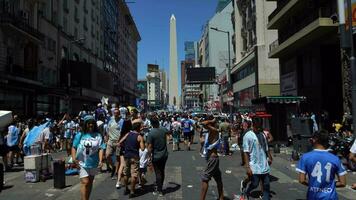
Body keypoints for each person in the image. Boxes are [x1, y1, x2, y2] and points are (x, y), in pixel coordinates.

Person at [296, 130, 347, 199]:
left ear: (315, 140)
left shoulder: (305, 157)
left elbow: (301, 180)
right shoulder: (335, 158)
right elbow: (343, 183)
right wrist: (329, 185)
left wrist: (313, 185)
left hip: (313, 197)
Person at [71, 115, 105, 200]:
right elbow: (74, 147)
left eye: (92, 123)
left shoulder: (98, 135)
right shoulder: (80, 134)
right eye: (89, 123)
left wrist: (101, 160)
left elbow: (101, 148)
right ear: (85, 124)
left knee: (90, 182)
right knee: (85, 182)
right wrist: (74, 158)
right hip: (81, 162)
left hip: (93, 163)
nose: (91, 125)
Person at [242, 117, 272, 200]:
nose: (258, 129)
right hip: (254, 165)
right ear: (252, 125)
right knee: (255, 183)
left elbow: (266, 147)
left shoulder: (262, 134)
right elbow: (246, 152)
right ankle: (246, 191)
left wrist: (270, 157)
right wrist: (247, 167)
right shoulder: (248, 136)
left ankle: (266, 198)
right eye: (256, 127)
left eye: (259, 127)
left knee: (266, 185)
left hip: (264, 163)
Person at [119, 119, 145, 198]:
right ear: (138, 128)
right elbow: (142, 148)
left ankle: (126, 188)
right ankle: (132, 191)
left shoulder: (128, 134)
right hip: (135, 156)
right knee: (134, 174)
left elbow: (120, 142)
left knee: (126, 173)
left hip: (126, 156)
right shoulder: (139, 136)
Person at [200, 116, 224, 200]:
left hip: (212, 159)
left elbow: (203, 123)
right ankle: (221, 197)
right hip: (212, 158)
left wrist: (211, 120)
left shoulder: (214, 131)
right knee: (218, 178)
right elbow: (202, 124)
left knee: (205, 179)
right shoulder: (210, 132)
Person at [147, 116, 170, 196]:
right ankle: (160, 187)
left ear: (151, 123)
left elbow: (149, 147)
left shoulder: (151, 133)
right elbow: (169, 132)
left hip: (156, 156)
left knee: (158, 173)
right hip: (164, 155)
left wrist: (149, 157)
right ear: (158, 122)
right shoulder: (163, 129)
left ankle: (159, 190)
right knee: (162, 171)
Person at [106, 108, 123, 179]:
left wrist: (120, 141)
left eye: (117, 113)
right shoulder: (110, 121)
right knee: (107, 155)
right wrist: (106, 139)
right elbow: (107, 130)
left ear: (119, 114)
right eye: (114, 113)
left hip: (118, 141)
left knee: (117, 158)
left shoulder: (122, 121)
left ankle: (116, 172)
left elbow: (123, 132)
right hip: (110, 141)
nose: (115, 114)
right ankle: (113, 167)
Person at [116, 119, 132, 189]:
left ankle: (118, 181)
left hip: (122, 149)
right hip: (128, 150)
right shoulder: (129, 133)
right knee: (128, 166)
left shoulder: (122, 132)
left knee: (121, 165)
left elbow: (119, 141)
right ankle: (127, 181)